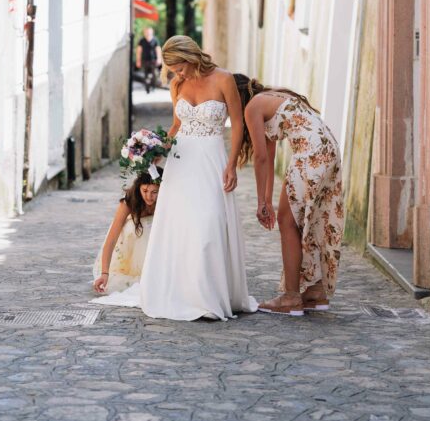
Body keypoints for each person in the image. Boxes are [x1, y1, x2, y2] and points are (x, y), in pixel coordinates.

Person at [97, 36, 257, 320]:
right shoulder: (177, 85)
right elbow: (176, 125)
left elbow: (238, 125)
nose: (177, 75)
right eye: (173, 71)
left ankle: (208, 297)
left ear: (191, 56)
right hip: (180, 162)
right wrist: (155, 151)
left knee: (208, 224)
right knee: (181, 227)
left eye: (179, 67)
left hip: (210, 159)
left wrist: (232, 165)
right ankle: (182, 292)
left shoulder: (224, 79)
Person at [234, 74, 344, 317]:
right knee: (311, 219)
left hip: (310, 153)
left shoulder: (252, 108)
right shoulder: (273, 97)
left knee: (287, 221)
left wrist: (263, 203)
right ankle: (315, 291)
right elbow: (269, 156)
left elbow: (261, 159)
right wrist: (266, 199)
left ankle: (291, 297)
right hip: (329, 149)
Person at [92, 173, 160, 295]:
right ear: (139, 187)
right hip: (130, 245)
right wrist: (104, 273)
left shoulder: (165, 201)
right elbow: (112, 238)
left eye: (154, 192)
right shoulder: (129, 202)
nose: (149, 196)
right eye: (145, 191)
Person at [136, 27, 162, 93]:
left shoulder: (155, 40)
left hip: (153, 61)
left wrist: (159, 59)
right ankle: (147, 87)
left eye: (149, 32)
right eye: (146, 32)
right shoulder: (142, 41)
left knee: (155, 75)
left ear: (152, 33)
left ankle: (153, 86)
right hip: (144, 60)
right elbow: (139, 51)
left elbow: (158, 50)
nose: (148, 33)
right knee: (146, 75)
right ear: (144, 33)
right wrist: (138, 61)